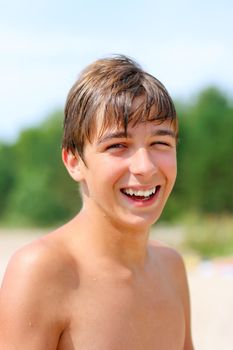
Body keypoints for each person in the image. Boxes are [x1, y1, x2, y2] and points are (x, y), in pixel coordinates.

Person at [0, 55, 194, 349]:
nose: (145, 166)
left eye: (160, 143)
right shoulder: (41, 272)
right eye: (118, 145)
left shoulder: (171, 268)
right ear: (74, 161)